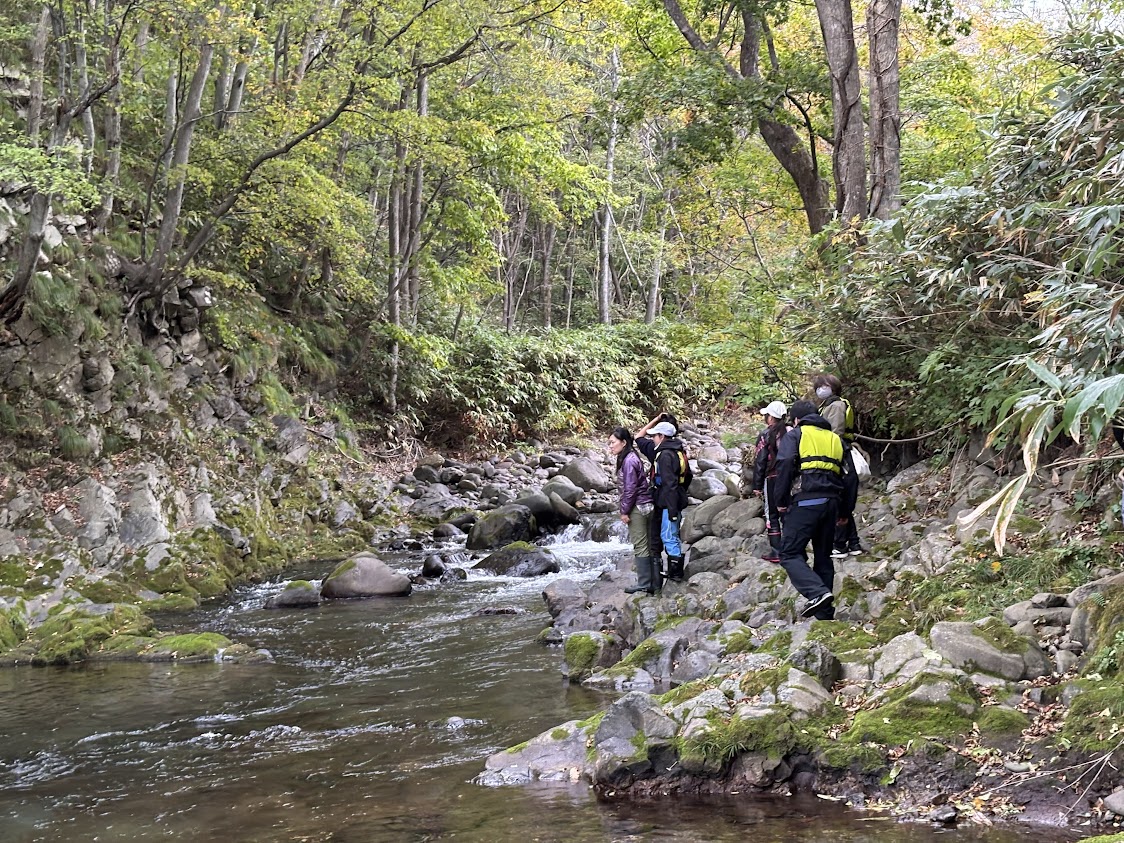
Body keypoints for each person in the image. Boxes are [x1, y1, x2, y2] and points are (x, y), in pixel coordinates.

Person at [773, 400, 858, 620]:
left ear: (796, 420)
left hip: (805, 502)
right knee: (823, 556)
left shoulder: (796, 435)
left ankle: (816, 593)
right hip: (832, 503)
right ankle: (825, 615)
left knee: (789, 553)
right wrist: (845, 512)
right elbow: (851, 477)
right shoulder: (836, 439)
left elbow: (784, 465)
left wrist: (780, 501)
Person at [812, 373, 864, 558]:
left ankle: (840, 544)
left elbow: (835, 432)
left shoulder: (836, 406)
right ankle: (854, 543)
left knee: (839, 498)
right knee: (843, 500)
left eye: (824, 386)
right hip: (840, 453)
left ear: (833, 387)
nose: (821, 389)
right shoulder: (828, 405)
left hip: (837, 455)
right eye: (819, 386)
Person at [637, 418, 691, 582]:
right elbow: (687, 477)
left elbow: (669, 483)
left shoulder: (665, 455)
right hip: (672, 498)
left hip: (668, 501)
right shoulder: (677, 451)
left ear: (661, 436)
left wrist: (672, 509)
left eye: (655, 436)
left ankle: (676, 573)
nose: (653, 439)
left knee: (668, 535)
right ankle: (672, 571)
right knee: (670, 534)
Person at [608, 427, 659, 594]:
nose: (610, 446)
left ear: (623, 443)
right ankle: (654, 582)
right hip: (648, 504)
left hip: (638, 507)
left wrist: (624, 511)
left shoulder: (628, 461)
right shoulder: (633, 457)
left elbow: (630, 489)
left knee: (640, 545)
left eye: (613, 442)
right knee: (649, 545)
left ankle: (644, 583)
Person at [751, 401, 790, 563]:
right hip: (790, 478)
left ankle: (776, 551)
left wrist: (757, 485)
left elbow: (760, 461)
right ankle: (791, 549)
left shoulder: (766, 434)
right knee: (787, 512)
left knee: (772, 514)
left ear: (771, 417)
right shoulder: (791, 432)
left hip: (773, 478)